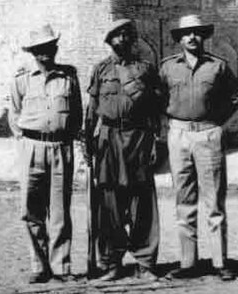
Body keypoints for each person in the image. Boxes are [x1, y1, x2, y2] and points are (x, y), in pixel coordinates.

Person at [159, 14, 238, 281]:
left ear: (203, 36)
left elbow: (235, 96)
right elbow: (157, 97)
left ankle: (220, 261)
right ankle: (188, 262)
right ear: (179, 39)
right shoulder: (168, 67)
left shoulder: (217, 66)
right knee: (184, 199)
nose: (192, 37)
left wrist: (218, 121)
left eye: (197, 32)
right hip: (179, 134)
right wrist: (169, 125)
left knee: (214, 200)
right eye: (187, 33)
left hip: (208, 133)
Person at [83, 19, 162, 282]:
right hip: (109, 138)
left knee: (142, 202)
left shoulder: (146, 69)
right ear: (110, 41)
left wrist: (154, 141)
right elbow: (92, 108)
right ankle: (111, 262)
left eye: (128, 35)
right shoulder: (100, 69)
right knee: (110, 204)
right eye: (118, 36)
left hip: (139, 137)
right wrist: (88, 143)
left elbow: (154, 109)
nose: (123, 39)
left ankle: (146, 262)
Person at [7, 24, 82, 284]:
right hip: (31, 148)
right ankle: (39, 266)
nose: (44, 54)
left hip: (61, 147)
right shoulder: (21, 80)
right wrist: (27, 143)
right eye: (39, 50)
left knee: (60, 211)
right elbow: (14, 115)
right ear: (32, 53)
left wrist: (65, 140)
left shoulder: (69, 76)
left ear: (55, 48)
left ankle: (61, 266)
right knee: (31, 210)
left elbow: (76, 115)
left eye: (48, 48)